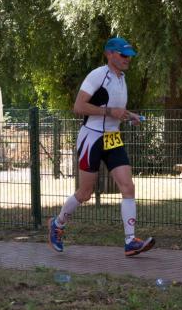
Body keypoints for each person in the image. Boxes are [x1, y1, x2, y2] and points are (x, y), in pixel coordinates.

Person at [48, 37, 154, 257]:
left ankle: (130, 241)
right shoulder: (97, 75)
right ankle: (57, 225)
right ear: (109, 54)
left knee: (128, 187)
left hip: (113, 138)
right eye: (123, 55)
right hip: (92, 138)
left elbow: (115, 110)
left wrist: (129, 115)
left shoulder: (121, 78)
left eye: (130, 56)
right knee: (85, 193)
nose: (128, 59)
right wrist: (110, 112)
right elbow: (78, 107)